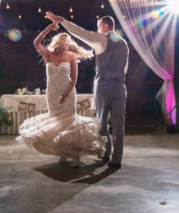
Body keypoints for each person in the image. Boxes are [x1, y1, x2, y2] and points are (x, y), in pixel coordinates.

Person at [45, 11, 130, 168]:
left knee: (102, 121)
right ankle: (117, 159)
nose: (97, 30)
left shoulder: (102, 38)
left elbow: (80, 32)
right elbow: (124, 68)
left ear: (105, 26)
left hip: (104, 85)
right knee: (119, 123)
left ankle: (105, 153)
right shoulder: (124, 43)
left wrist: (62, 20)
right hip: (120, 86)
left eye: (98, 27)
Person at [16, 22, 104, 165]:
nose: (67, 45)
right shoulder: (48, 55)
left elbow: (74, 78)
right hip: (52, 93)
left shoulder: (70, 56)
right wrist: (49, 27)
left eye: (69, 43)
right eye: (65, 42)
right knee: (56, 123)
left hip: (67, 92)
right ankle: (62, 152)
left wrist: (66, 93)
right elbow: (36, 42)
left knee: (70, 122)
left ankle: (75, 156)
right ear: (59, 42)